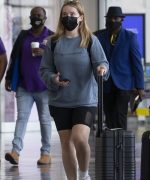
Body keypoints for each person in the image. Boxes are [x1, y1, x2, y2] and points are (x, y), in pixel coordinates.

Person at [39, 1, 109, 179]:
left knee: (79, 138)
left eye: (72, 14)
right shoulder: (53, 42)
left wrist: (101, 69)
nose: (68, 17)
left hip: (85, 99)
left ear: (81, 17)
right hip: (60, 100)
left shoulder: (90, 40)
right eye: (64, 14)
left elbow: (102, 62)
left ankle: (84, 174)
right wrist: (54, 79)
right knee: (66, 143)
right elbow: (44, 70)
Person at [3, 6, 53, 166]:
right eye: (33, 15)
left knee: (45, 119)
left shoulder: (52, 36)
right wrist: (9, 77)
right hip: (24, 86)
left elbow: (60, 58)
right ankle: (15, 152)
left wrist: (45, 53)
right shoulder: (24, 35)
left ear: (45, 18)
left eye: (39, 15)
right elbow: (14, 57)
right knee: (22, 118)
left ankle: (46, 153)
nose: (36, 17)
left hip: (45, 87)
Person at [94, 6, 144, 130]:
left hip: (124, 84)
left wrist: (140, 87)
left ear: (121, 20)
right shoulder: (98, 36)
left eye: (116, 18)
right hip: (105, 83)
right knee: (109, 117)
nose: (112, 21)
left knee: (120, 114)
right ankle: (112, 145)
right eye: (110, 18)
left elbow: (136, 62)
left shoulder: (130, 37)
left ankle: (121, 146)